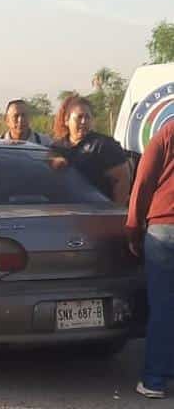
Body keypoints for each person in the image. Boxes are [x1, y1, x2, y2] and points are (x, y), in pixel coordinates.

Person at [126, 120, 174, 399]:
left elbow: (143, 181)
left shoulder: (167, 132)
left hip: (163, 232)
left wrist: (133, 228)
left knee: (163, 307)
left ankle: (155, 381)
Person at [50, 94, 131, 204]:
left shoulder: (104, 145)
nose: (83, 122)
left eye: (87, 117)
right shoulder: (57, 148)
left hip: (98, 211)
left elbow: (123, 179)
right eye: (79, 117)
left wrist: (116, 210)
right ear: (66, 120)